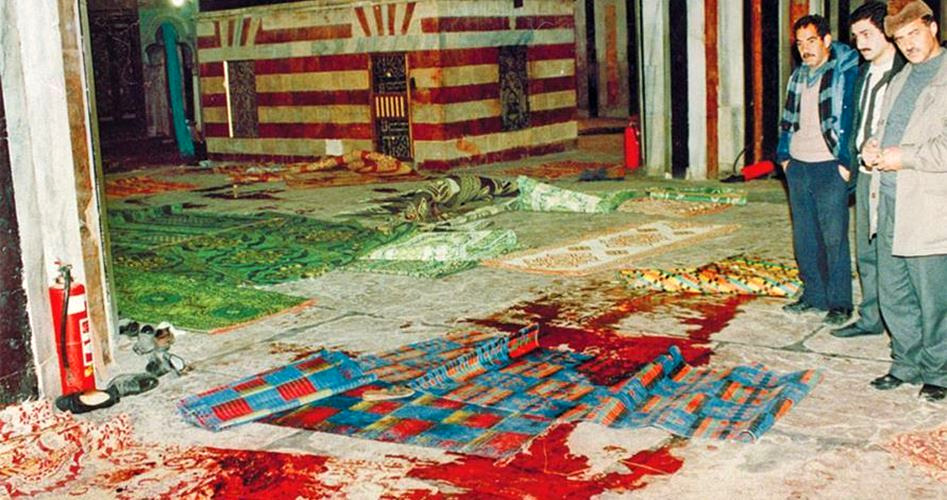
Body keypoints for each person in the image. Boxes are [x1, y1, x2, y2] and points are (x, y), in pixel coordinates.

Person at [861, 0, 947, 402]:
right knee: (893, 290)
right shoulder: (899, 80)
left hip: (929, 207)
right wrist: (874, 146)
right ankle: (906, 364)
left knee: (933, 298)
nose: (909, 45)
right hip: (889, 198)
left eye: (915, 34)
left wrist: (904, 157)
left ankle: (939, 371)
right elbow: (885, 129)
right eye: (901, 38)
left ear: (933, 27)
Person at [776, 14, 859, 326]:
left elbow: (851, 119)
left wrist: (845, 162)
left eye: (812, 41)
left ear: (826, 41)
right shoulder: (797, 77)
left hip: (829, 166)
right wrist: (784, 157)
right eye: (800, 43)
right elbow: (786, 120)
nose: (805, 49)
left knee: (834, 236)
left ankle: (840, 303)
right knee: (805, 236)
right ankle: (814, 295)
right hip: (798, 165)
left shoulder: (843, 73)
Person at [832, 2, 906, 338]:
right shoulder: (862, 73)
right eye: (855, 36)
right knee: (866, 249)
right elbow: (855, 123)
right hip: (864, 172)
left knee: (895, 253)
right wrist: (848, 160)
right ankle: (871, 317)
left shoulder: (906, 72)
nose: (860, 42)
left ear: (886, 32)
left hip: (896, 174)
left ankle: (902, 327)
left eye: (867, 34)